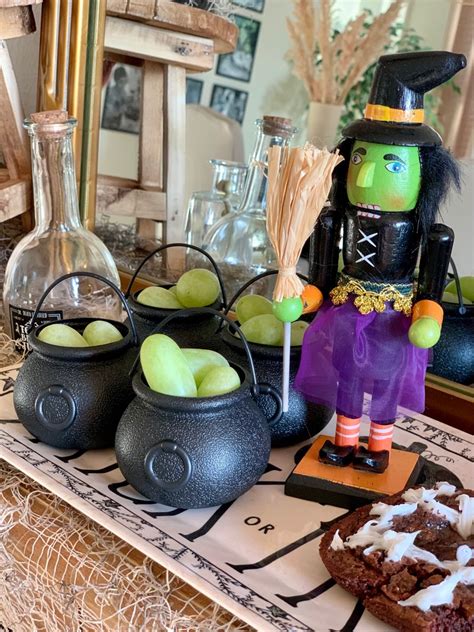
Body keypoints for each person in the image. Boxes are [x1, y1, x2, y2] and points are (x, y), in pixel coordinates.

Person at [295, 51, 466, 474]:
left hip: (393, 318)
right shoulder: (334, 220)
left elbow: (430, 288)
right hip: (346, 312)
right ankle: (345, 439)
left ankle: (380, 446)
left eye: (391, 164)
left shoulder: (431, 233)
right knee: (348, 378)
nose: (367, 176)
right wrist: (303, 298)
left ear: (423, 175)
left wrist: (429, 316)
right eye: (359, 159)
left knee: (387, 382)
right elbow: (321, 276)